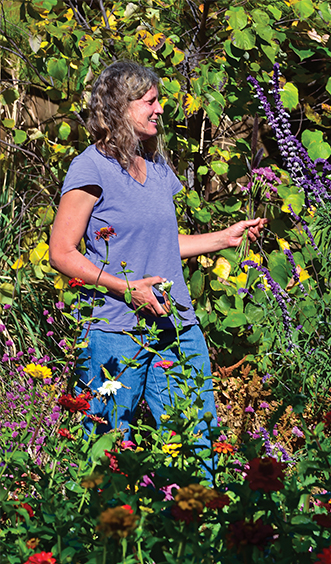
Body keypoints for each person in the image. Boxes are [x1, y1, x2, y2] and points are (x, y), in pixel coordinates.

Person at [49, 61, 264, 478]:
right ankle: (112, 535)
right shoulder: (90, 169)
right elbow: (62, 252)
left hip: (175, 324)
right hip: (116, 332)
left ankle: (200, 530)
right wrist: (127, 288)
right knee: (106, 448)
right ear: (120, 107)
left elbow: (163, 246)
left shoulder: (157, 166)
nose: (160, 109)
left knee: (197, 438)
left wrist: (224, 237)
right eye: (150, 101)